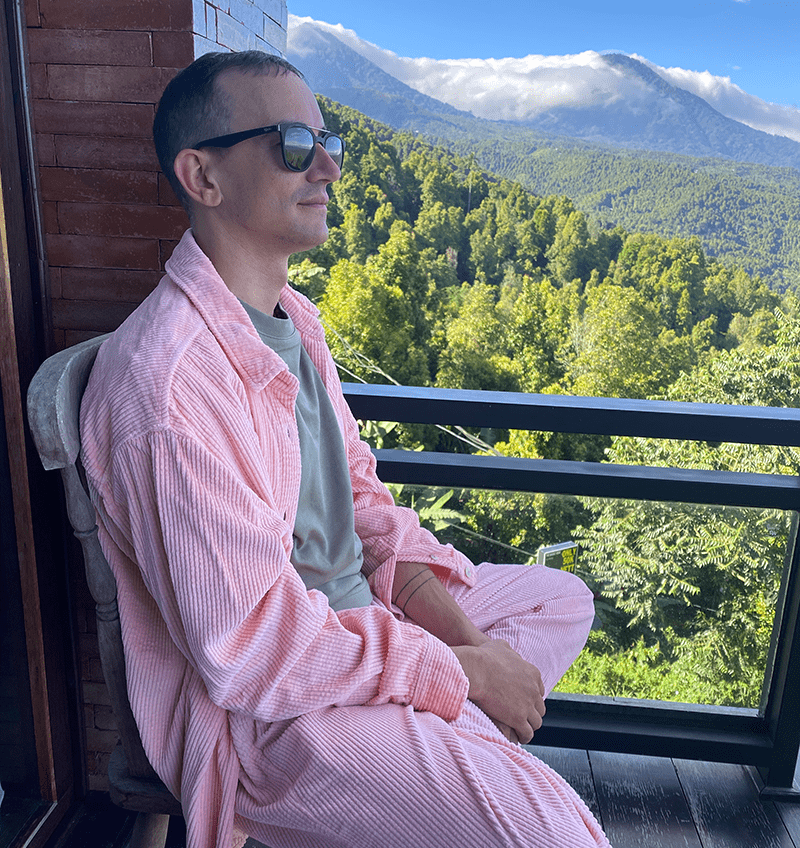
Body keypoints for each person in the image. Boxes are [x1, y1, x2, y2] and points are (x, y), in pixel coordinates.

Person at [80, 50, 610, 848]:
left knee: (560, 601)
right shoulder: (169, 393)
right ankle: (452, 747)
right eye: (293, 145)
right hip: (273, 715)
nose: (328, 167)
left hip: (357, 623)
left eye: (327, 142)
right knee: (560, 834)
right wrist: (460, 673)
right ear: (203, 176)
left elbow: (363, 503)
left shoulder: (293, 319)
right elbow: (253, 653)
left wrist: (465, 650)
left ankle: (447, 745)